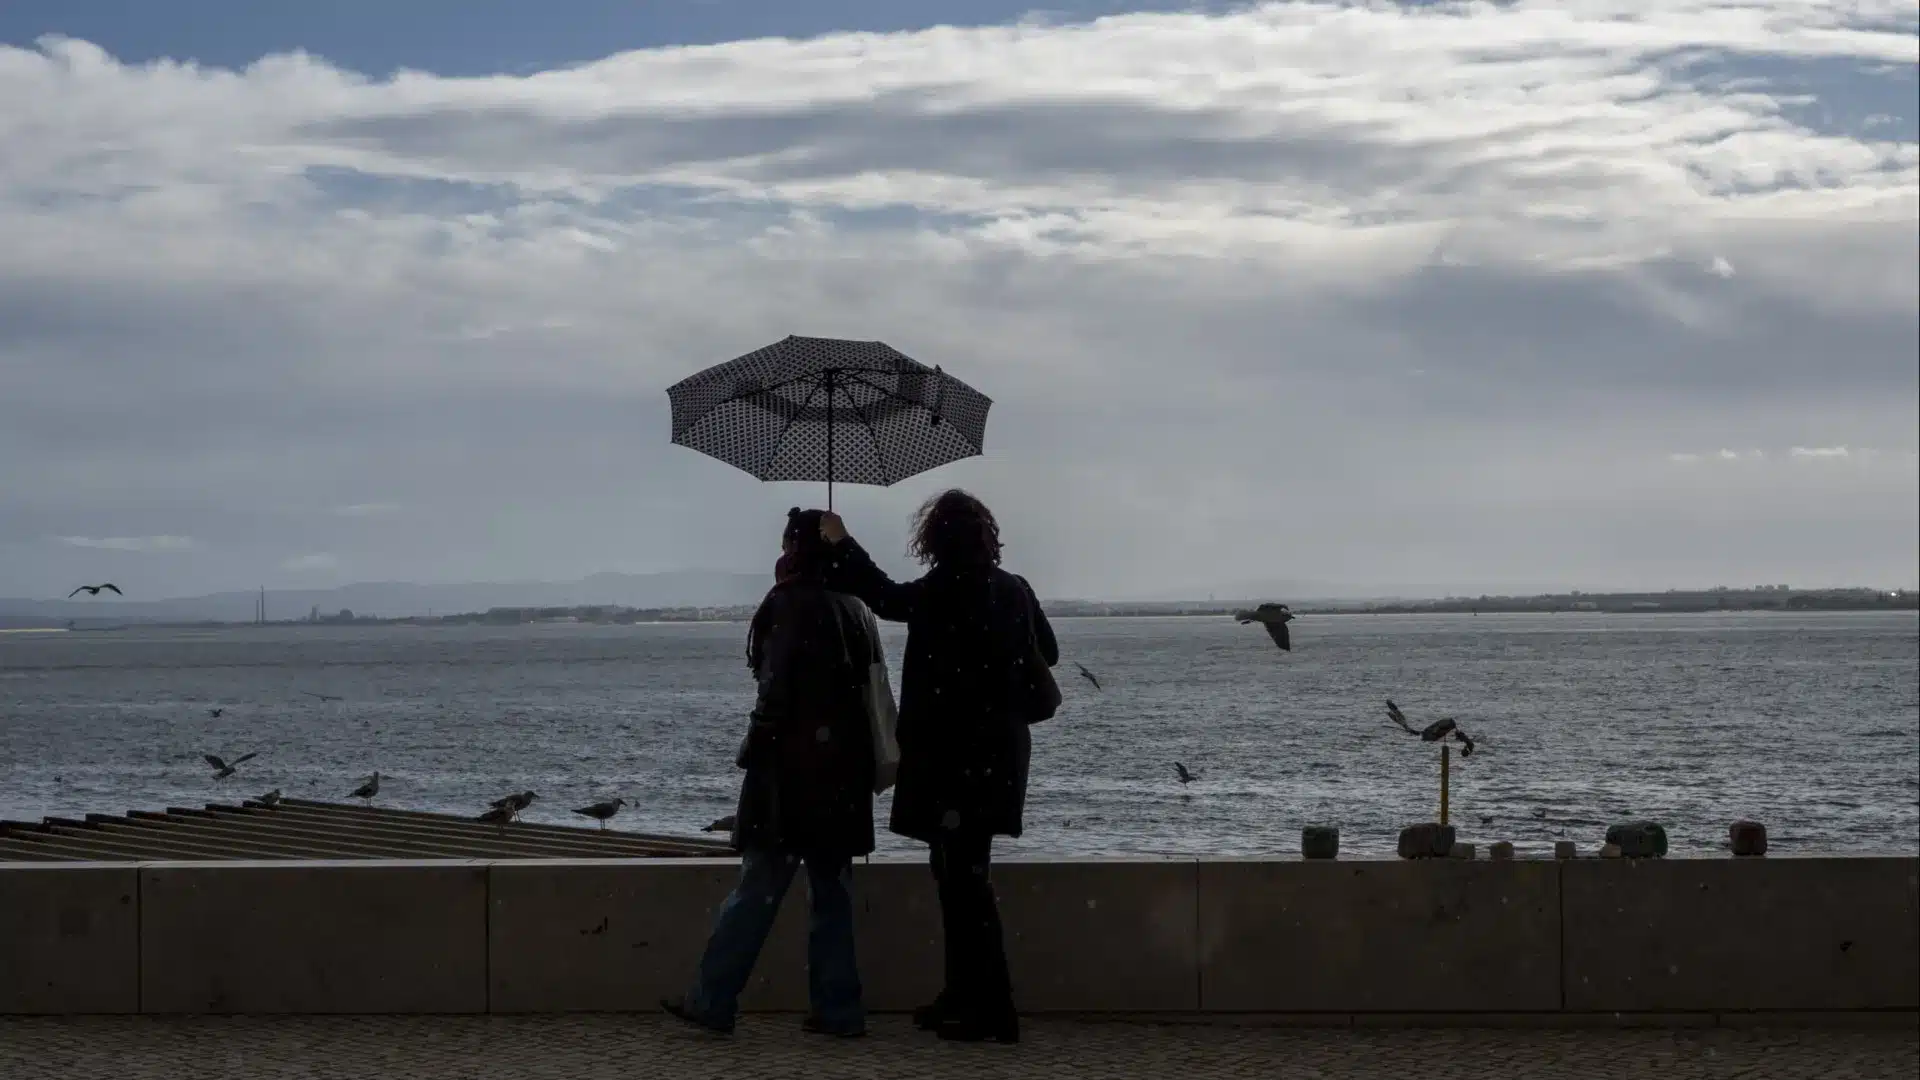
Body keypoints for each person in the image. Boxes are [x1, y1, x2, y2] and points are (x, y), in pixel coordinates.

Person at [818, 489, 1057, 1044]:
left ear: (935, 540)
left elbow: (883, 596)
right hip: (999, 757)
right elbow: (1048, 652)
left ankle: (993, 1009)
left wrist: (841, 540)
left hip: (951, 758)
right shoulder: (1014, 588)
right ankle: (963, 995)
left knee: (962, 883)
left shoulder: (942, 589)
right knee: (962, 875)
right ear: (987, 536)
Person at [663, 508, 882, 1038]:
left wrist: (753, 747)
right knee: (832, 893)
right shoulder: (856, 607)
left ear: (792, 549)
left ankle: (712, 999)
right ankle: (839, 1008)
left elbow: (774, 695)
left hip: (789, 777)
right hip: (844, 777)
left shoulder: (785, 605)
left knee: (758, 890)